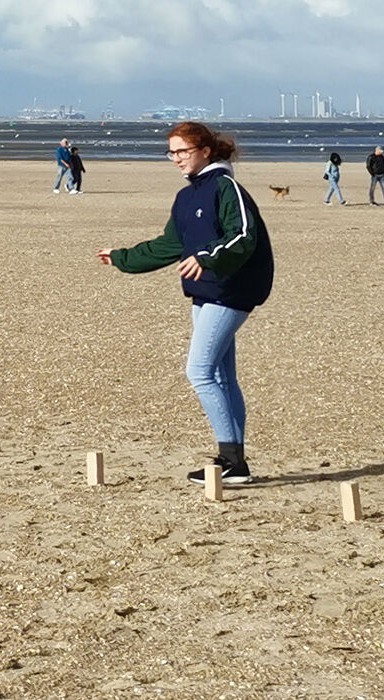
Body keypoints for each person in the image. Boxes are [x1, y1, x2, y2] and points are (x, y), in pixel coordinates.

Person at [94, 122, 274, 485]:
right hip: (204, 292)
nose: (176, 158)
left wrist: (207, 259)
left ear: (205, 151)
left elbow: (243, 236)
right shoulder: (186, 197)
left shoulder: (227, 188)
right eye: (171, 152)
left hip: (232, 289)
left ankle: (230, 460)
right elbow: (168, 246)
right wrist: (122, 257)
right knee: (222, 376)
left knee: (199, 371)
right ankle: (236, 462)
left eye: (183, 151)